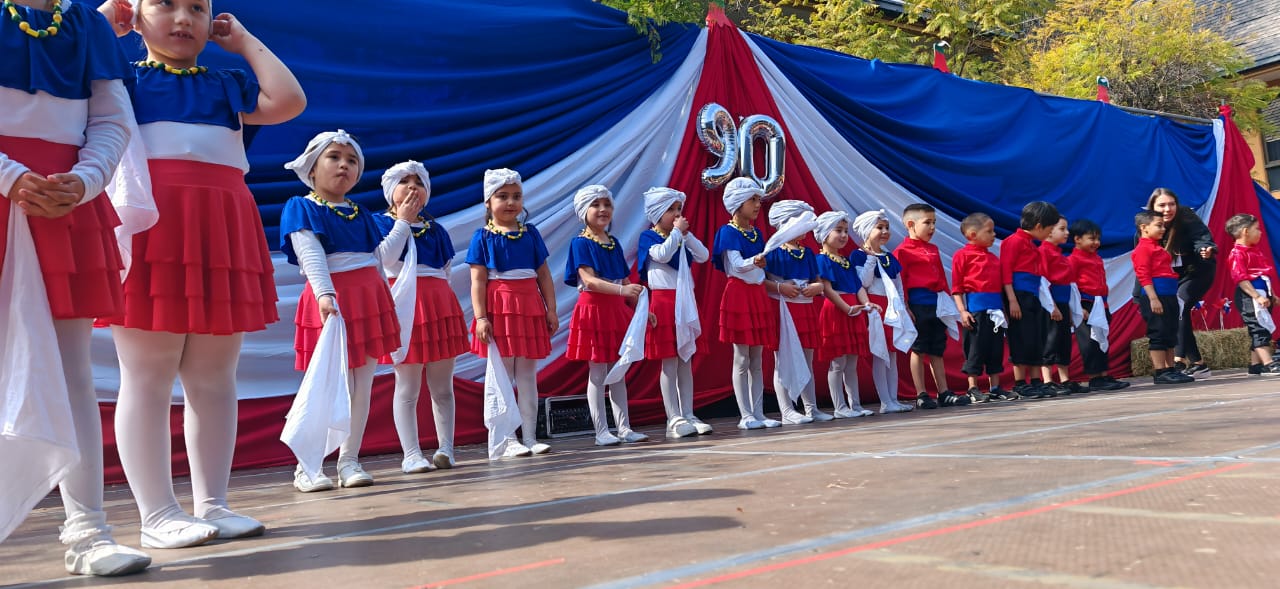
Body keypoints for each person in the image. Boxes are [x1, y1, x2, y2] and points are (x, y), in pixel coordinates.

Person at [99, 0, 305, 548]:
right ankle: (156, 513)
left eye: (197, 6)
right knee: (147, 372)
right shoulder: (118, 78)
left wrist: (242, 41)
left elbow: (288, 100)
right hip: (152, 231)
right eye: (163, 5)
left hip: (222, 232)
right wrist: (103, 22)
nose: (182, 18)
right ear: (134, 15)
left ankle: (213, 501)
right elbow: (67, 73)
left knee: (215, 378)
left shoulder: (227, 83)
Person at [0, 0, 151, 576]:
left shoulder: (85, 23)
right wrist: (9, 177)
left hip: (62, 204)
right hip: (10, 189)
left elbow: (113, 121)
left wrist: (87, 181)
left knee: (71, 374)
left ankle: (89, 531)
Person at [281, 130, 414, 490]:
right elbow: (310, 255)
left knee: (361, 386)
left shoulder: (362, 214)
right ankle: (307, 466)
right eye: (334, 157)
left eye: (352, 160)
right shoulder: (301, 206)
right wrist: (325, 295)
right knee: (325, 384)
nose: (344, 165)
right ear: (312, 168)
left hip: (368, 301)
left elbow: (380, 259)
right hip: (333, 301)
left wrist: (402, 222)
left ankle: (349, 460)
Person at [375, 162, 469, 472]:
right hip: (404, 306)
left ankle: (446, 449)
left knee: (443, 386)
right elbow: (384, 259)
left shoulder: (437, 229)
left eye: (419, 182)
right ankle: (411, 454)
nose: (413, 187)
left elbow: (445, 272)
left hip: (438, 306)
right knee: (408, 386)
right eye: (405, 181)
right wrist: (402, 221)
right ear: (391, 190)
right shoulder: (380, 222)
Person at [468, 168, 557, 457]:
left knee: (528, 374)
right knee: (502, 375)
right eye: (503, 196)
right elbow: (477, 281)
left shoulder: (531, 233)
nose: (510, 202)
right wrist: (481, 317)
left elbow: (543, 275)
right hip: (501, 308)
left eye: (516, 196)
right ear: (488, 202)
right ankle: (506, 438)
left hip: (530, 305)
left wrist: (551, 310)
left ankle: (530, 435)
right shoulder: (481, 237)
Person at [565, 184, 649, 446]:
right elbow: (589, 280)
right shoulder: (580, 242)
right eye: (596, 205)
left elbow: (624, 278)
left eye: (607, 204)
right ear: (583, 211)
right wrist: (623, 289)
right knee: (598, 372)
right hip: (593, 310)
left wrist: (641, 310)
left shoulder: (613, 242)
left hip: (615, 311)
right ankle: (601, 431)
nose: (603, 210)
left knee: (619, 371)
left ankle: (624, 428)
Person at [638, 187, 713, 438]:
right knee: (669, 362)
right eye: (671, 209)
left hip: (684, 302)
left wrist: (686, 236)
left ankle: (689, 412)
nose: (677, 214)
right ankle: (674, 417)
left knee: (685, 359)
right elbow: (662, 254)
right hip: (663, 302)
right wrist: (677, 234)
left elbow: (703, 255)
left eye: (679, 209)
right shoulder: (649, 238)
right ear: (658, 212)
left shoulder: (680, 237)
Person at [712, 177, 781, 430]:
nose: (757, 205)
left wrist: (760, 262)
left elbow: (756, 267)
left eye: (758, 200)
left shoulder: (757, 232)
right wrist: (757, 260)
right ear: (737, 203)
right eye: (753, 200)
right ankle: (746, 415)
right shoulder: (727, 232)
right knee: (741, 357)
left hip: (756, 294)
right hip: (739, 294)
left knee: (757, 357)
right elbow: (736, 265)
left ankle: (759, 412)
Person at [764, 200, 828, 424]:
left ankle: (811, 407)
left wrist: (817, 287)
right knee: (783, 360)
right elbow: (762, 281)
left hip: (805, 308)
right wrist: (781, 287)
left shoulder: (808, 252)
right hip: (783, 309)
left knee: (807, 360)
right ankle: (786, 409)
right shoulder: (771, 251)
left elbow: (818, 281)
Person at [894, 203, 963, 408]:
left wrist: (949, 303)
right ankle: (921, 394)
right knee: (919, 348)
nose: (932, 228)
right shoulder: (902, 251)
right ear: (910, 224)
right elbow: (901, 282)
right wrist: (906, 307)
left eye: (934, 223)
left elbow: (941, 277)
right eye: (927, 223)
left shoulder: (933, 249)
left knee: (936, 349)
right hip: (917, 304)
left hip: (937, 304)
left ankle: (944, 392)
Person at [813, 211, 878, 417]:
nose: (843, 235)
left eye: (845, 231)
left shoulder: (846, 260)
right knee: (837, 362)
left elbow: (858, 286)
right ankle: (839, 407)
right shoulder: (821, 260)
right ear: (824, 234)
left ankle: (855, 405)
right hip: (836, 310)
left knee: (852, 362)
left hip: (853, 309)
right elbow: (827, 289)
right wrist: (846, 308)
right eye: (838, 231)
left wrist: (866, 304)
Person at [1147, 188, 1217, 378]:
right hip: (1169, 277)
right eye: (1162, 205)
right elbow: (1143, 256)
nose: (1168, 209)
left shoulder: (1186, 217)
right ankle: (1197, 363)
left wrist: (1205, 249)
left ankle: (1179, 359)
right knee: (1177, 312)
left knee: (1180, 303)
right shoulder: (1147, 224)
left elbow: (1201, 238)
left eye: (1171, 204)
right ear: (1153, 207)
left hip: (1197, 271)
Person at [850, 210, 914, 413]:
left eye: (886, 227)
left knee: (892, 355)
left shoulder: (889, 256)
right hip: (875, 307)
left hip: (892, 307)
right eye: (880, 227)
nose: (885, 231)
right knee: (880, 354)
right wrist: (870, 260)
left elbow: (898, 285)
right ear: (867, 230)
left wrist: (903, 307)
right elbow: (863, 283)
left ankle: (893, 399)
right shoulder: (858, 255)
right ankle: (885, 401)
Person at [951, 213, 1014, 401]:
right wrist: (963, 311)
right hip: (976, 311)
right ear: (972, 234)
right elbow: (957, 288)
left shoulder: (994, 258)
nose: (994, 235)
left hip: (995, 311)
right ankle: (973, 387)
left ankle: (995, 387)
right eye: (989, 231)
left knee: (995, 350)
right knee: (975, 349)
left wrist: (1003, 310)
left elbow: (999, 287)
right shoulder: (962, 256)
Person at [1001, 201, 1059, 399]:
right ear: (1039, 226)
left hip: (1033, 295)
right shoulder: (1013, 241)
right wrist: (1012, 300)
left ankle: (1036, 381)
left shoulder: (1032, 245)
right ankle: (1020, 382)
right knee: (1020, 338)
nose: (1050, 234)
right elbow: (1006, 272)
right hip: (1019, 295)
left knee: (1035, 338)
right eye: (1050, 229)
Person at [1132, 210, 1195, 385]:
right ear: (1144, 228)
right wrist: (1153, 298)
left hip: (1168, 294)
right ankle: (1160, 370)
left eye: (1163, 226)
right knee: (1158, 333)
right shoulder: (1143, 249)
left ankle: (1169, 368)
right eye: (1158, 225)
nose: (1162, 229)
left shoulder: (1158, 248)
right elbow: (1143, 275)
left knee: (1169, 333)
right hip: (1156, 295)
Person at [1067, 219, 1129, 391]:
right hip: (1086, 304)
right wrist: (1078, 307)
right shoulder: (1073, 259)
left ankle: (1103, 374)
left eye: (1097, 239)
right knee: (1089, 342)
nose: (1096, 243)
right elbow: (1071, 285)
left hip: (1100, 304)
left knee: (1102, 338)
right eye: (1091, 238)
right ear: (1077, 239)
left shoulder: (1097, 258)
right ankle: (1095, 377)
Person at [1225, 214, 1280, 375]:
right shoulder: (1237, 253)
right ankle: (1269, 362)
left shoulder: (1255, 251)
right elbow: (1241, 279)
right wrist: (1256, 296)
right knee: (1258, 329)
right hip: (1250, 296)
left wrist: (1272, 295)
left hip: (1263, 294)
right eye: (1257, 229)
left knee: (1263, 326)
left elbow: (1265, 276)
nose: (1260, 232)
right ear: (1245, 231)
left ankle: (1255, 364)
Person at [1038, 217, 1084, 394]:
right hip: (1051, 304)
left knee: (1063, 341)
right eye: (1062, 229)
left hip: (1063, 304)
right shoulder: (1043, 252)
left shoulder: (1060, 255)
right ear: (1049, 231)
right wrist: (1052, 306)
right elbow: (1042, 282)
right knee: (1050, 340)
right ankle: (1047, 379)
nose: (1067, 233)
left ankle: (1065, 379)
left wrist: (1072, 310)